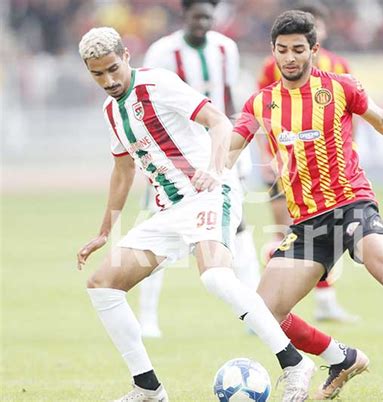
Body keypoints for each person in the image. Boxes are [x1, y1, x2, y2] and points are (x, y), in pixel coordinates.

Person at [228, 11, 383, 400]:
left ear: (314, 50)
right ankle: (340, 358)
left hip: (351, 204)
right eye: (282, 50)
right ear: (272, 51)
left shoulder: (340, 87)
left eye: (298, 49)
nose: (289, 58)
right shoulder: (262, 102)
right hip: (308, 222)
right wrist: (207, 176)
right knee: (264, 312)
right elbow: (231, 145)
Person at [77, 26, 315, 402]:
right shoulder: (111, 112)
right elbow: (123, 171)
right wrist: (105, 231)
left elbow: (220, 122)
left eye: (112, 69)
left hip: (209, 193)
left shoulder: (157, 84)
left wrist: (214, 167)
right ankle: (148, 388)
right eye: (97, 74)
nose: (108, 80)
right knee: (103, 285)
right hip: (168, 212)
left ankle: (295, 363)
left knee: (216, 278)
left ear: (126, 55)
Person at [138, 0, 260, 338]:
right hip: (173, 154)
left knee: (237, 224)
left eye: (209, 16)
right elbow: (147, 103)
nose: (203, 22)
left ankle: (259, 310)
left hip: (219, 147)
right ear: (184, 16)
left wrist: (240, 147)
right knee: (160, 226)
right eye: (197, 16)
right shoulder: (162, 52)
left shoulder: (226, 48)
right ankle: (147, 319)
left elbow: (230, 99)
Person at [257, 1, 357, 323]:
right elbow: (261, 113)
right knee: (284, 230)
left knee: (320, 234)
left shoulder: (339, 66)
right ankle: (269, 303)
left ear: (321, 32)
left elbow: (352, 113)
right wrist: (266, 155)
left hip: (325, 171)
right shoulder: (272, 66)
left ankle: (322, 301)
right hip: (283, 164)